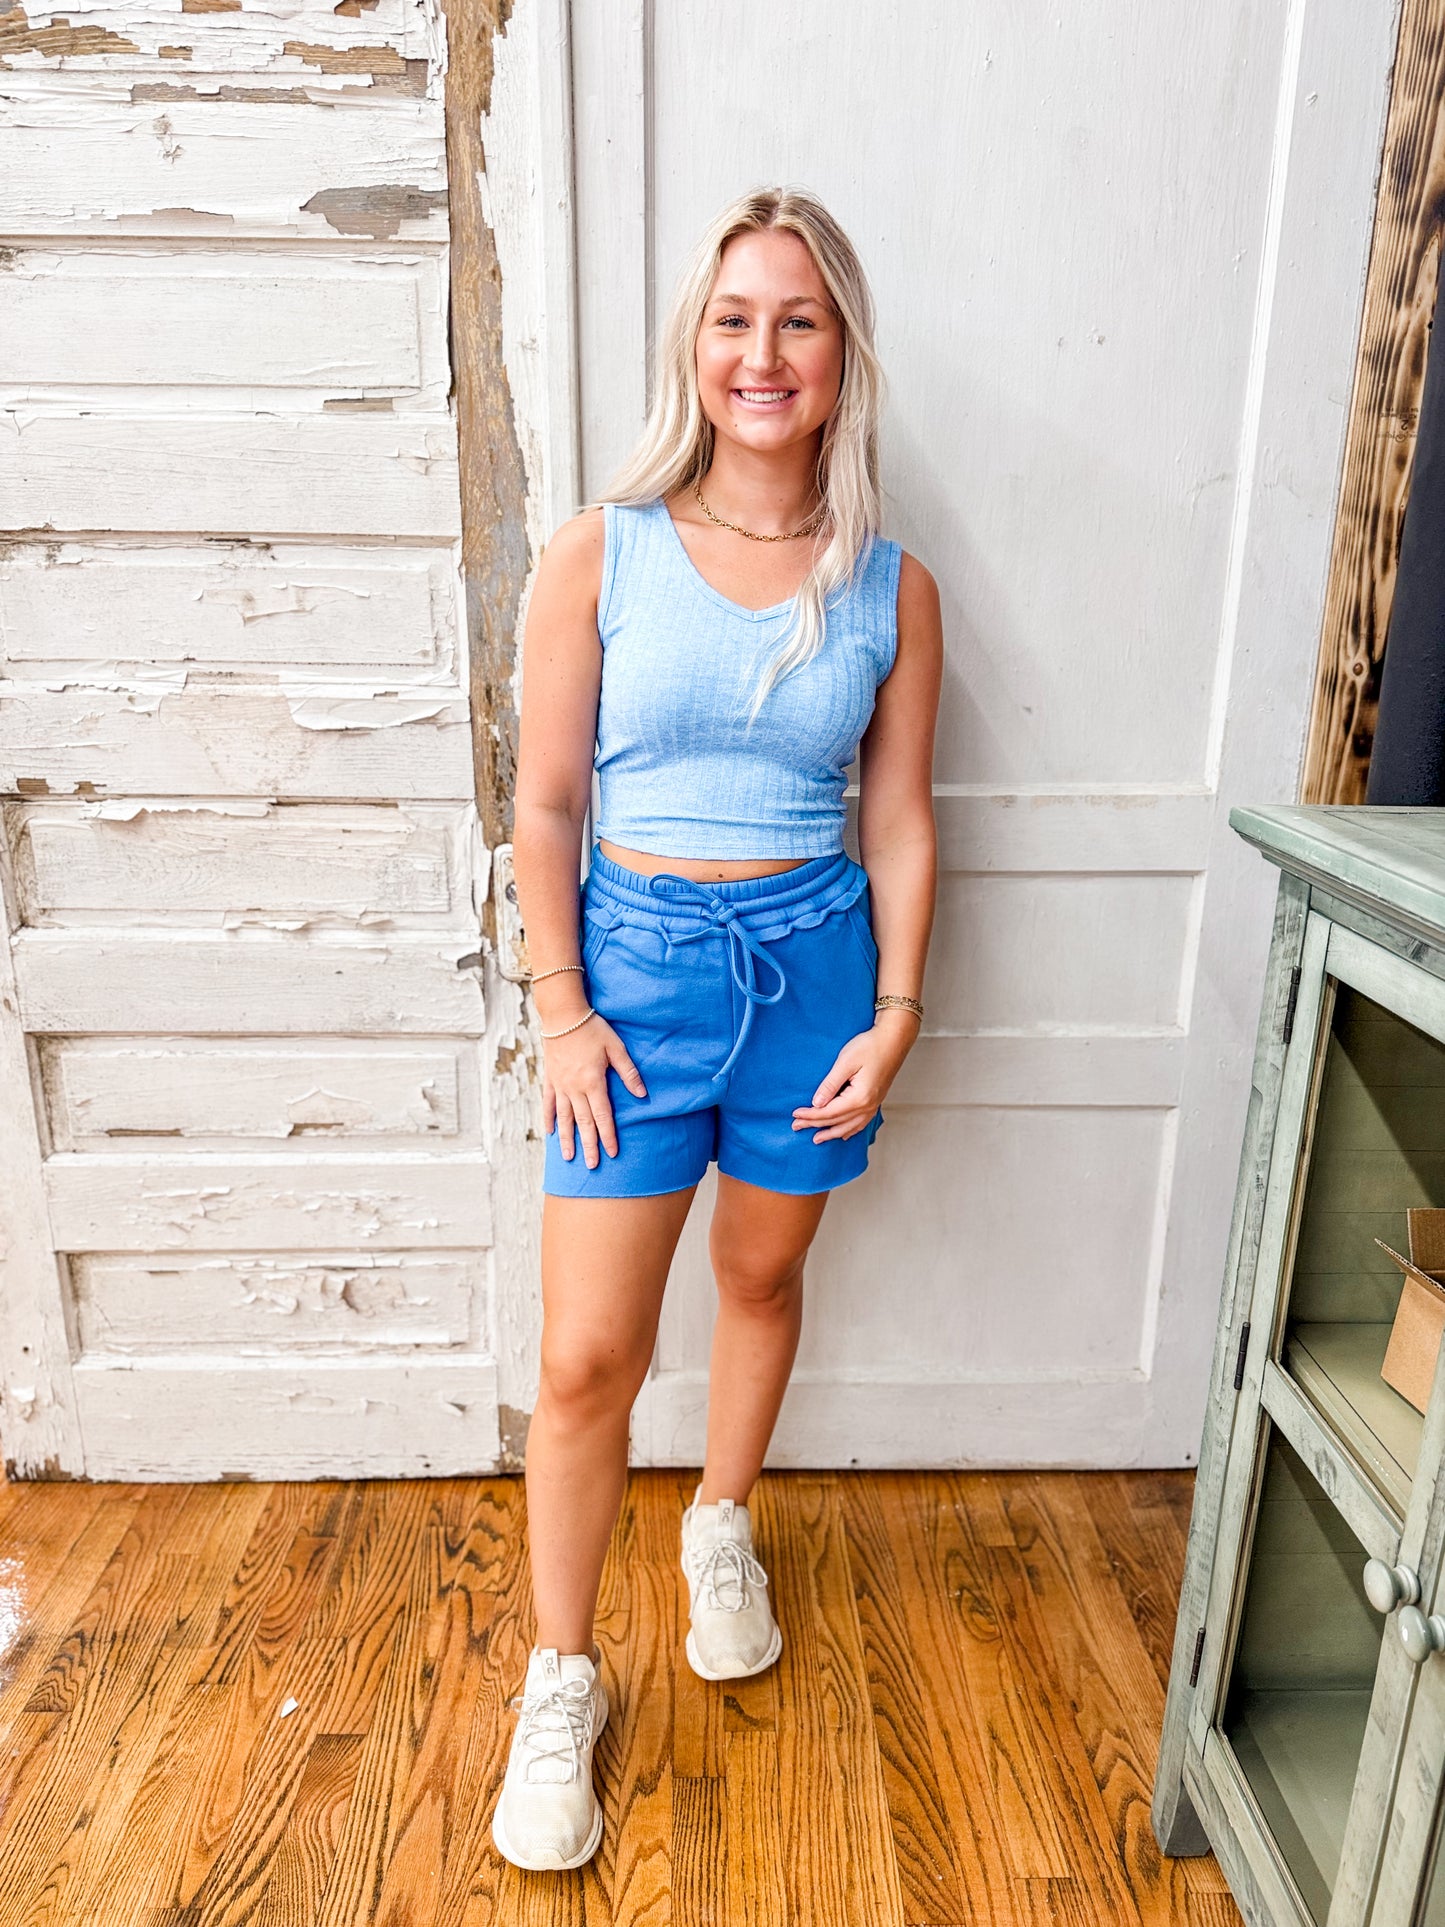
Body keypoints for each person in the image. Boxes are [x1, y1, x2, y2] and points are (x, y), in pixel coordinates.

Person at [491, 185, 942, 1872]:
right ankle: (559, 1679)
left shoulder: (891, 585)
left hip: (812, 979)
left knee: (758, 1279)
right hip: (631, 986)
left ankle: (720, 1524)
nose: (763, 351)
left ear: (840, 356)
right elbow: (545, 805)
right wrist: (561, 1013)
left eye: (797, 319)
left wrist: (894, 1012)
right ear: (697, 344)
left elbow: (896, 818)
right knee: (583, 1360)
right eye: (735, 318)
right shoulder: (600, 552)